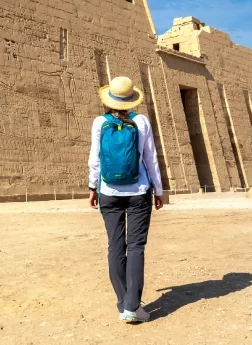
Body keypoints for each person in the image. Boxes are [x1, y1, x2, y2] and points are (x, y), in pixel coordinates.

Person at [88, 76, 164, 323]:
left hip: (108, 192)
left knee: (115, 247)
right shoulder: (141, 121)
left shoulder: (100, 122)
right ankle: (133, 306)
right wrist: (159, 189)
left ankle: (123, 303)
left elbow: (95, 159)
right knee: (136, 247)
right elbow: (150, 158)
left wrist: (92, 187)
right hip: (139, 191)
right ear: (131, 100)